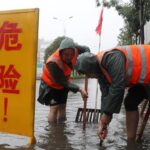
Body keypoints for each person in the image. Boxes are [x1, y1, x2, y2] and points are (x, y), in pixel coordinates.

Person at [74, 45, 150, 142]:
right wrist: (102, 123)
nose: (88, 77)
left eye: (87, 73)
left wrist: (107, 114)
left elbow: (118, 86)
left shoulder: (111, 58)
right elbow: (106, 97)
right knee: (130, 102)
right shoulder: (102, 75)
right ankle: (131, 142)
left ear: (92, 68)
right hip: (145, 80)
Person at [37, 37, 89, 123]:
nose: (69, 57)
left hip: (64, 83)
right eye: (66, 54)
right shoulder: (53, 62)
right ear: (61, 52)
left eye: (71, 54)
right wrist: (80, 89)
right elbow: (62, 82)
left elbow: (86, 48)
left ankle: (61, 129)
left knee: (62, 106)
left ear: (74, 50)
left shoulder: (75, 49)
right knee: (54, 108)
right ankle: (53, 131)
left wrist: (87, 58)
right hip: (50, 85)